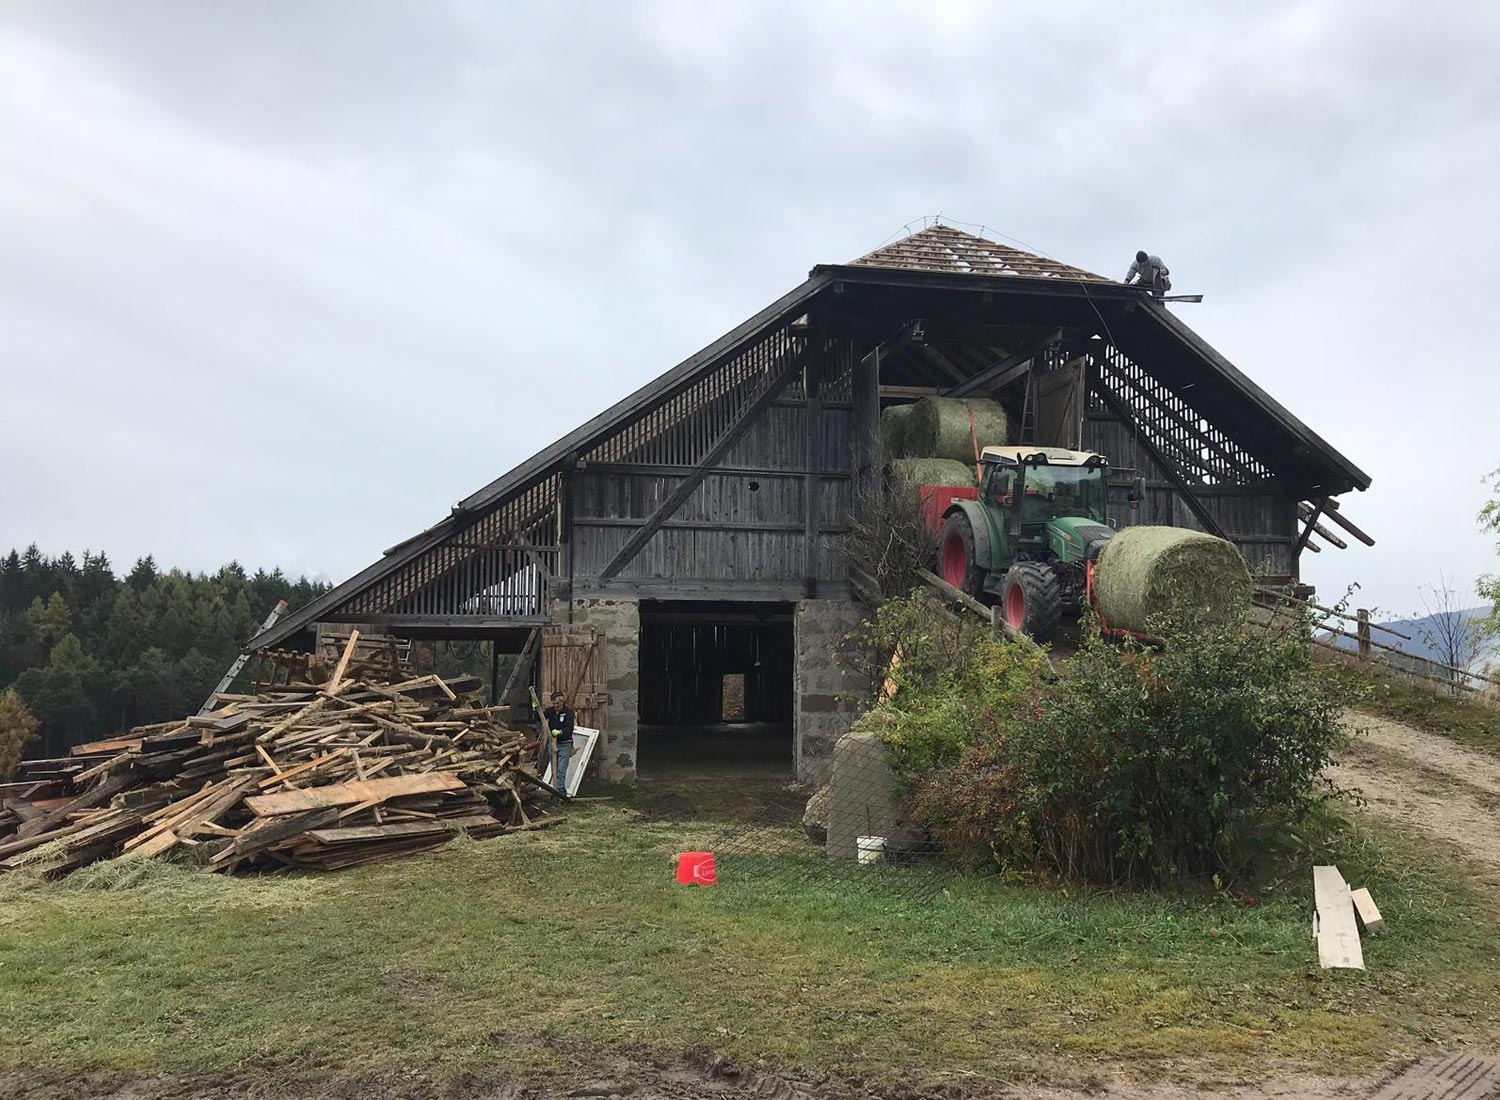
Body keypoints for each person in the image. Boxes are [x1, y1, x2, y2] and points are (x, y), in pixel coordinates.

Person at [542, 691, 575, 796]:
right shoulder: (551, 711)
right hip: (553, 743)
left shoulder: (568, 712)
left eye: (558, 704)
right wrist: (535, 708)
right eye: (554, 704)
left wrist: (560, 732)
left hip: (565, 743)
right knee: (554, 769)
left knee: (561, 769)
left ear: (562, 702)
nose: (556, 706)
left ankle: (561, 793)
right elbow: (540, 716)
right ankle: (554, 790)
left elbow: (569, 728)